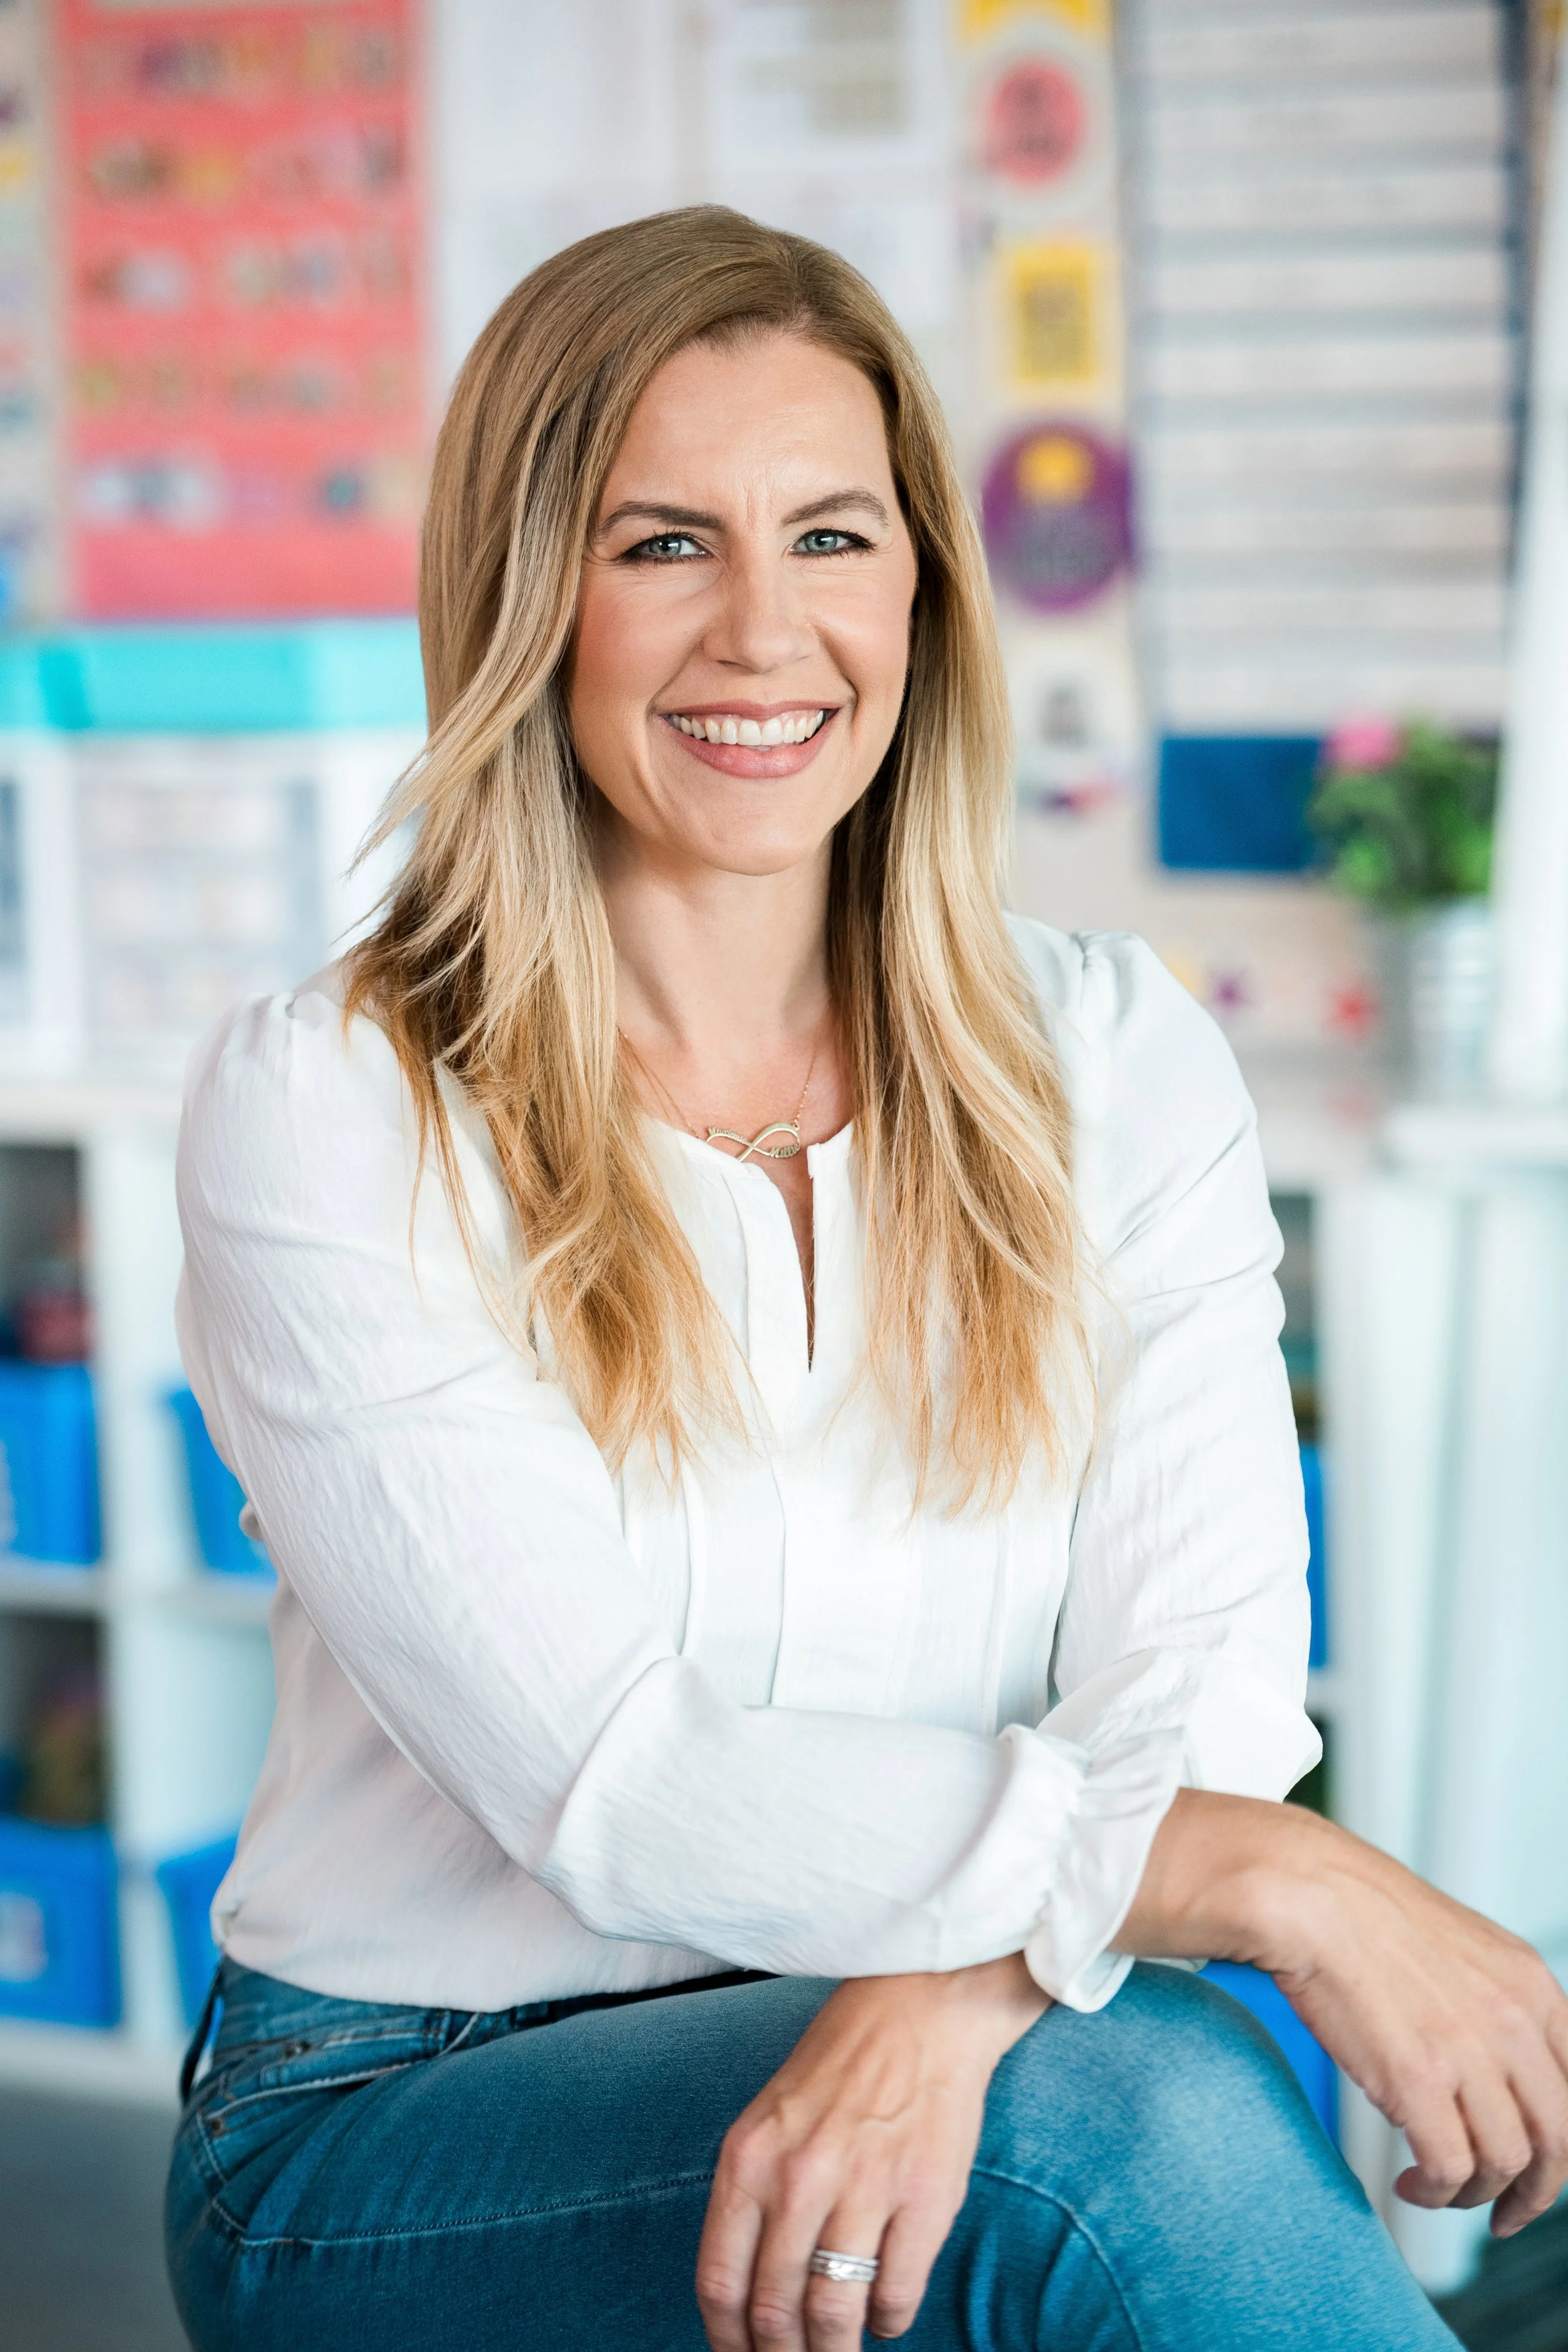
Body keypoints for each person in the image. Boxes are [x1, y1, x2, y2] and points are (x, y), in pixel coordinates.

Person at [164, 208, 1567, 2352]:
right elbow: (613, 1776)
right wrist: (1274, 1870)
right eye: (659, 544)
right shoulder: (341, 1103)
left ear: (920, 583)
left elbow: (1196, 1671)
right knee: (1126, 2131)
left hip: (964, 2028)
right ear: (528, 598)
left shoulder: (1104, 1054)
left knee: (1110, 2100)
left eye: (831, 536)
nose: (763, 630)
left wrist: (952, 1983)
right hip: (410, 2101)